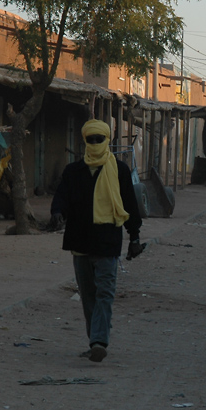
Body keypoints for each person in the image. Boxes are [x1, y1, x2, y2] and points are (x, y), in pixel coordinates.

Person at [50, 119, 144, 363]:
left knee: (105, 293)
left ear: (107, 140)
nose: (94, 143)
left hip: (107, 243)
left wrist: (134, 237)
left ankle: (99, 341)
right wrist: (57, 213)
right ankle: (95, 341)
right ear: (84, 141)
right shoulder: (73, 172)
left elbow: (130, 206)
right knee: (88, 296)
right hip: (80, 242)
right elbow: (61, 197)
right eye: (90, 140)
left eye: (98, 139)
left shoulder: (120, 171)